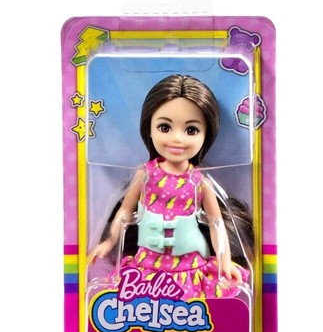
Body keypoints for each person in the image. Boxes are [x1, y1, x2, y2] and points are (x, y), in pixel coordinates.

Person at [92, 74, 251, 299]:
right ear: (149, 128)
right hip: (147, 266)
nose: (177, 139)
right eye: (165, 127)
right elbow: (125, 212)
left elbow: (216, 224)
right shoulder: (145, 175)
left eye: (191, 130)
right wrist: (109, 241)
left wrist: (225, 261)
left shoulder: (200, 182)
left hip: (188, 267)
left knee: (193, 310)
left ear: (206, 134)